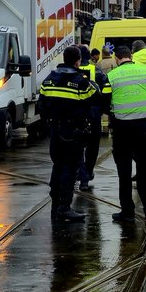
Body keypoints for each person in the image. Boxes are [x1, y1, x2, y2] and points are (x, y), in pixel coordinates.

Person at [38, 46, 99, 223]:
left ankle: (55, 199)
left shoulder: (49, 79)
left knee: (57, 165)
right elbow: (92, 103)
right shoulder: (80, 81)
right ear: (78, 61)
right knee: (71, 168)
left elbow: (42, 105)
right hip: (73, 132)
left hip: (55, 130)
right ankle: (64, 207)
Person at [100, 44, 146, 224]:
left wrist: (117, 111)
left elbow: (104, 104)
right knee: (145, 171)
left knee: (124, 173)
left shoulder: (112, 76)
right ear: (131, 57)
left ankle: (127, 213)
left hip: (122, 130)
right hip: (144, 128)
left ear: (117, 59)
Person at [76, 45, 102, 192]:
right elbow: (104, 90)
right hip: (94, 113)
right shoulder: (95, 70)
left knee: (79, 146)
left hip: (78, 112)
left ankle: (82, 175)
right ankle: (88, 171)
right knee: (93, 146)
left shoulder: (73, 71)